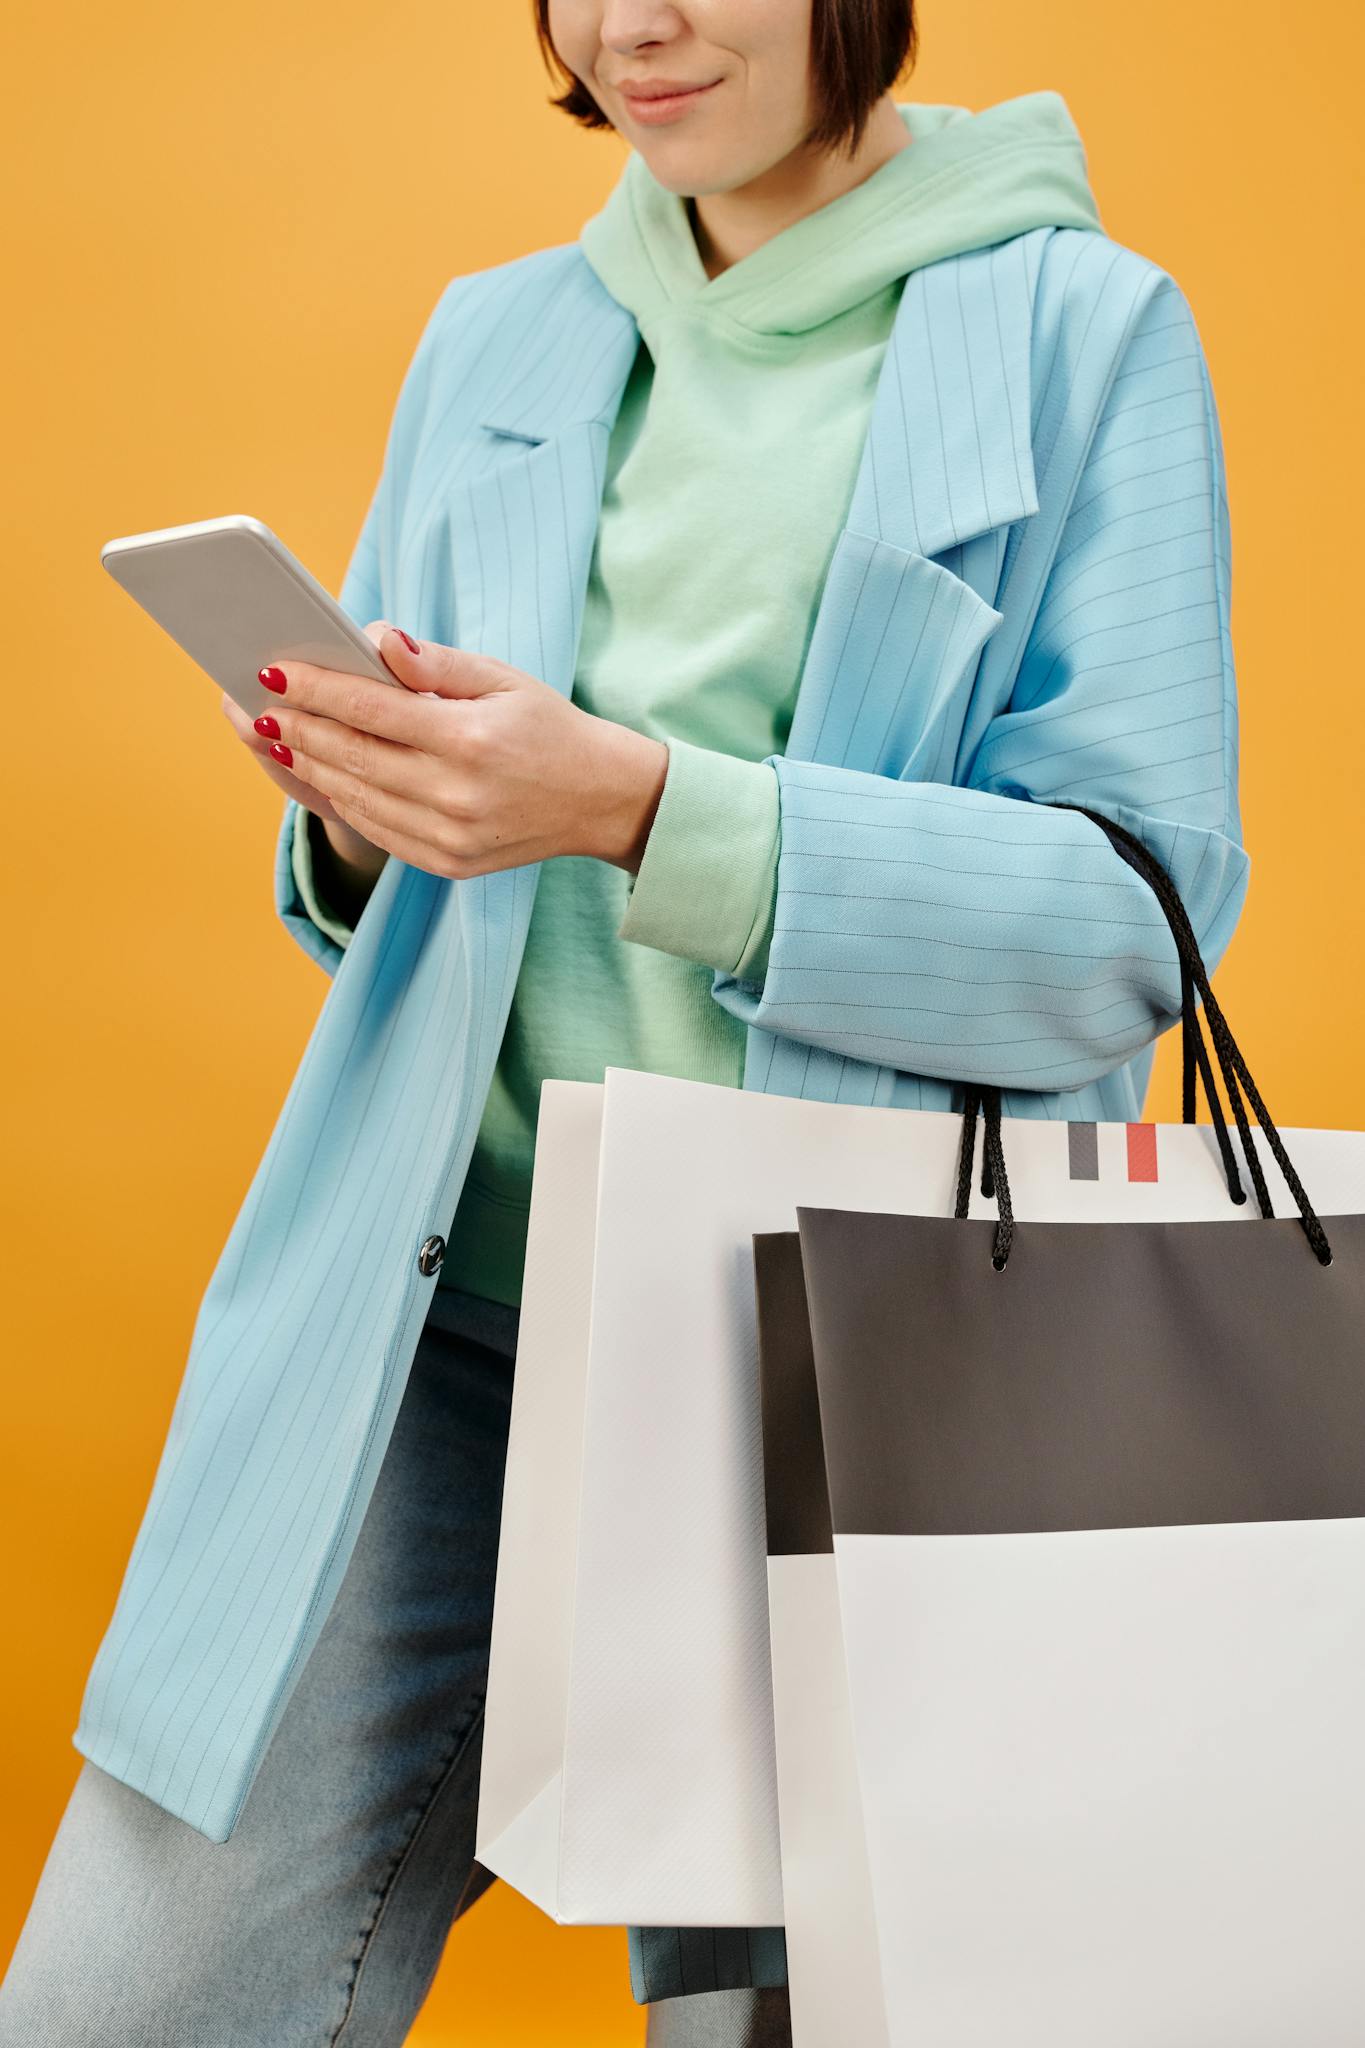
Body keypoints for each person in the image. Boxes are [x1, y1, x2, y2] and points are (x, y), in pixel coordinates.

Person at [0, 0, 1248, 2042]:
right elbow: (416, 923)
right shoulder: (500, 334)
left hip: (832, 1373)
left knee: (801, 2017)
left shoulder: (1078, 331)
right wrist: (363, 821)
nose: (629, 25)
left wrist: (645, 811)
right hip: (437, 1340)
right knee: (115, 2008)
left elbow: (1125, 925)